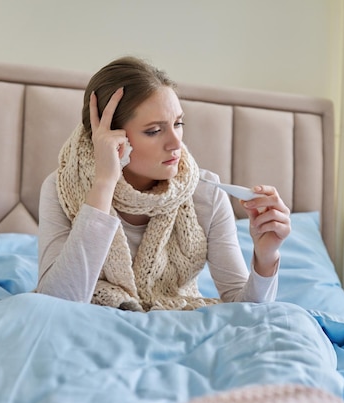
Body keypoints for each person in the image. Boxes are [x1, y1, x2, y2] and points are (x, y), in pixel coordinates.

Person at [36, 56, 291, 312]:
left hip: (181, 329)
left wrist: (266, 257)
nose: (176, 143)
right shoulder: (61, 189)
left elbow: (245, 311)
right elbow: (56, 303)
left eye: (178, 124)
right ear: (110, 138)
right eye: (154, 131)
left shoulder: (206, 194)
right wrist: (103, 183)